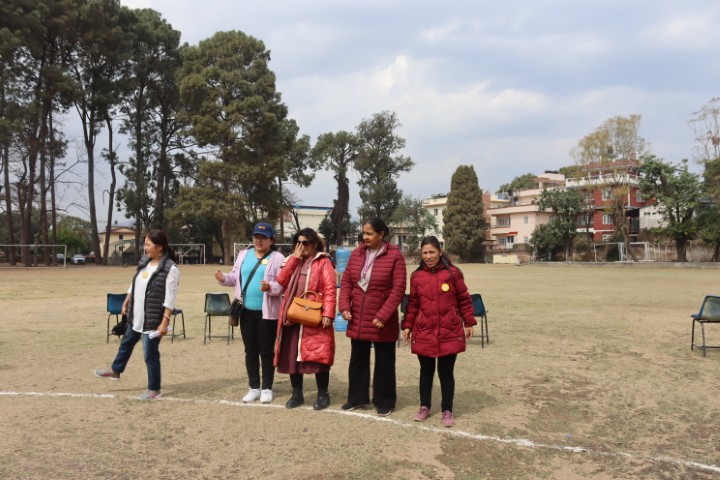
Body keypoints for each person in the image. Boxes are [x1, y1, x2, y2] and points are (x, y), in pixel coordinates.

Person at [94, 230, 180, 400]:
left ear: (160, 247)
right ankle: (116, 370)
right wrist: (126, 301)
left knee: (150, 355)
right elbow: (134, 284)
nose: (145, 248)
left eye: (148, 244)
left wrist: (164, 322)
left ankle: (154, 389)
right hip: (136, 315)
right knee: (126, 344)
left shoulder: (170, 269)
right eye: (145, 244)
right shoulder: (144, 262)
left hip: (152, 319)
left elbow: (170, 298)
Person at [401, 236, 476, 427]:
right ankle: (424, 406)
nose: (428, 256)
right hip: (424, 331)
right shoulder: (416, 276)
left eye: (432, 252)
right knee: (426, 372)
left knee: (446, 373)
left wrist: (469, 322)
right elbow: (413, 303)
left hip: (449, 330)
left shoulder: (453, 273)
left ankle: (447, 410)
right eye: (425, 253)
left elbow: (464, 298)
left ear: (440, 252)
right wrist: (407, 325)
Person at [339, 217, 406, 416]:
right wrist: (344, 306)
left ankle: (384, 401)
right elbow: (347, 283)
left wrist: (383, 315)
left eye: (369, 233)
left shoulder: (395, 256)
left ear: (381, 234)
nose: (365, 237)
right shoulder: (356, 254)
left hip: (382, 320)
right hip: (358, 316)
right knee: (358, 359)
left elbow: (398, 289)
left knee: (384, 361)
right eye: (364, 233)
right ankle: (356, 398)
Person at [214, 222, 285, 404]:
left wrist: (270, 287)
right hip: (245, 311)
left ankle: (267, 388)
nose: (259, 240)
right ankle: (254, 387)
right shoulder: (244, 255)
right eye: (256, 237)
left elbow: (283, 284)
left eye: (263, 237)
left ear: (271, 240)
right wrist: (223, 278)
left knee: (266, 352)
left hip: (267, 313)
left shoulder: (278, 258)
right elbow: (234, 278)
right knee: (250, 351)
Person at [274, 228, 337, 410]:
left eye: (306, 243)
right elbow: (281, 281)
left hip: (313, 315)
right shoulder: (291, 260)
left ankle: (323, 394)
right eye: (298, 242)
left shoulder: (323, 262)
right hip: (293, 315)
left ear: (315, 244)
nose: (302, 246)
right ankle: (297, 394)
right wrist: (294, 259)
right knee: (292, 356)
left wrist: (328, 313)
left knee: (318, 355)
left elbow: (330, 289)